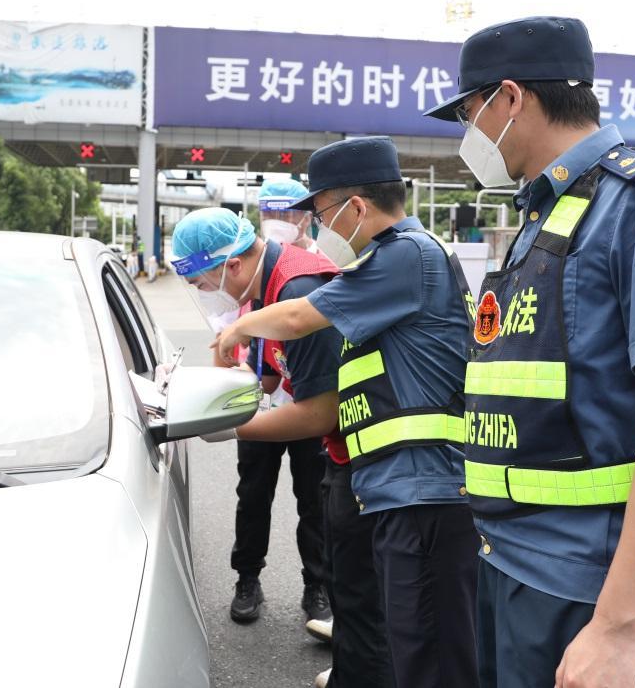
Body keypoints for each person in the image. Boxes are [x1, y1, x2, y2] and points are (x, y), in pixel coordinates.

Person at [423, 16, 635, 688]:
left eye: (468, 113)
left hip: (580, 580)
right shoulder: (546, 209)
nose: (468, 133)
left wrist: (618, 628)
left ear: (508, 99)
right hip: (511, 555)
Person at [214, 136, 479, 688]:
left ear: (356, 207)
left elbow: (294, 320)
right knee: (408, 643)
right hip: (399, 485)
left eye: (322, 212)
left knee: (431, 656)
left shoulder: (403, 255)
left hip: (425, 490)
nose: (316, 228)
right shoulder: (397, 259)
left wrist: (238, 326)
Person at [169, 209, 332, 634]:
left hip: (354, 447)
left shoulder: (296, 288)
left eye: (201, 283)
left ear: (233, 265)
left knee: (317, 506)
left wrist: (229, 425)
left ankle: (321, 590)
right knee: (254, 495)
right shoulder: (264, 290)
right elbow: (275, 373)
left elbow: (319, 414)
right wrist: (216, 374)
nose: (204, 294)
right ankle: (248, 578)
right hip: (304, 418)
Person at [257, 178, 317, 251]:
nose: (275, 223)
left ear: (307, 219)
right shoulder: (259, 259)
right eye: (268, 214)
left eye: (284, 214)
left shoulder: (322, 258)